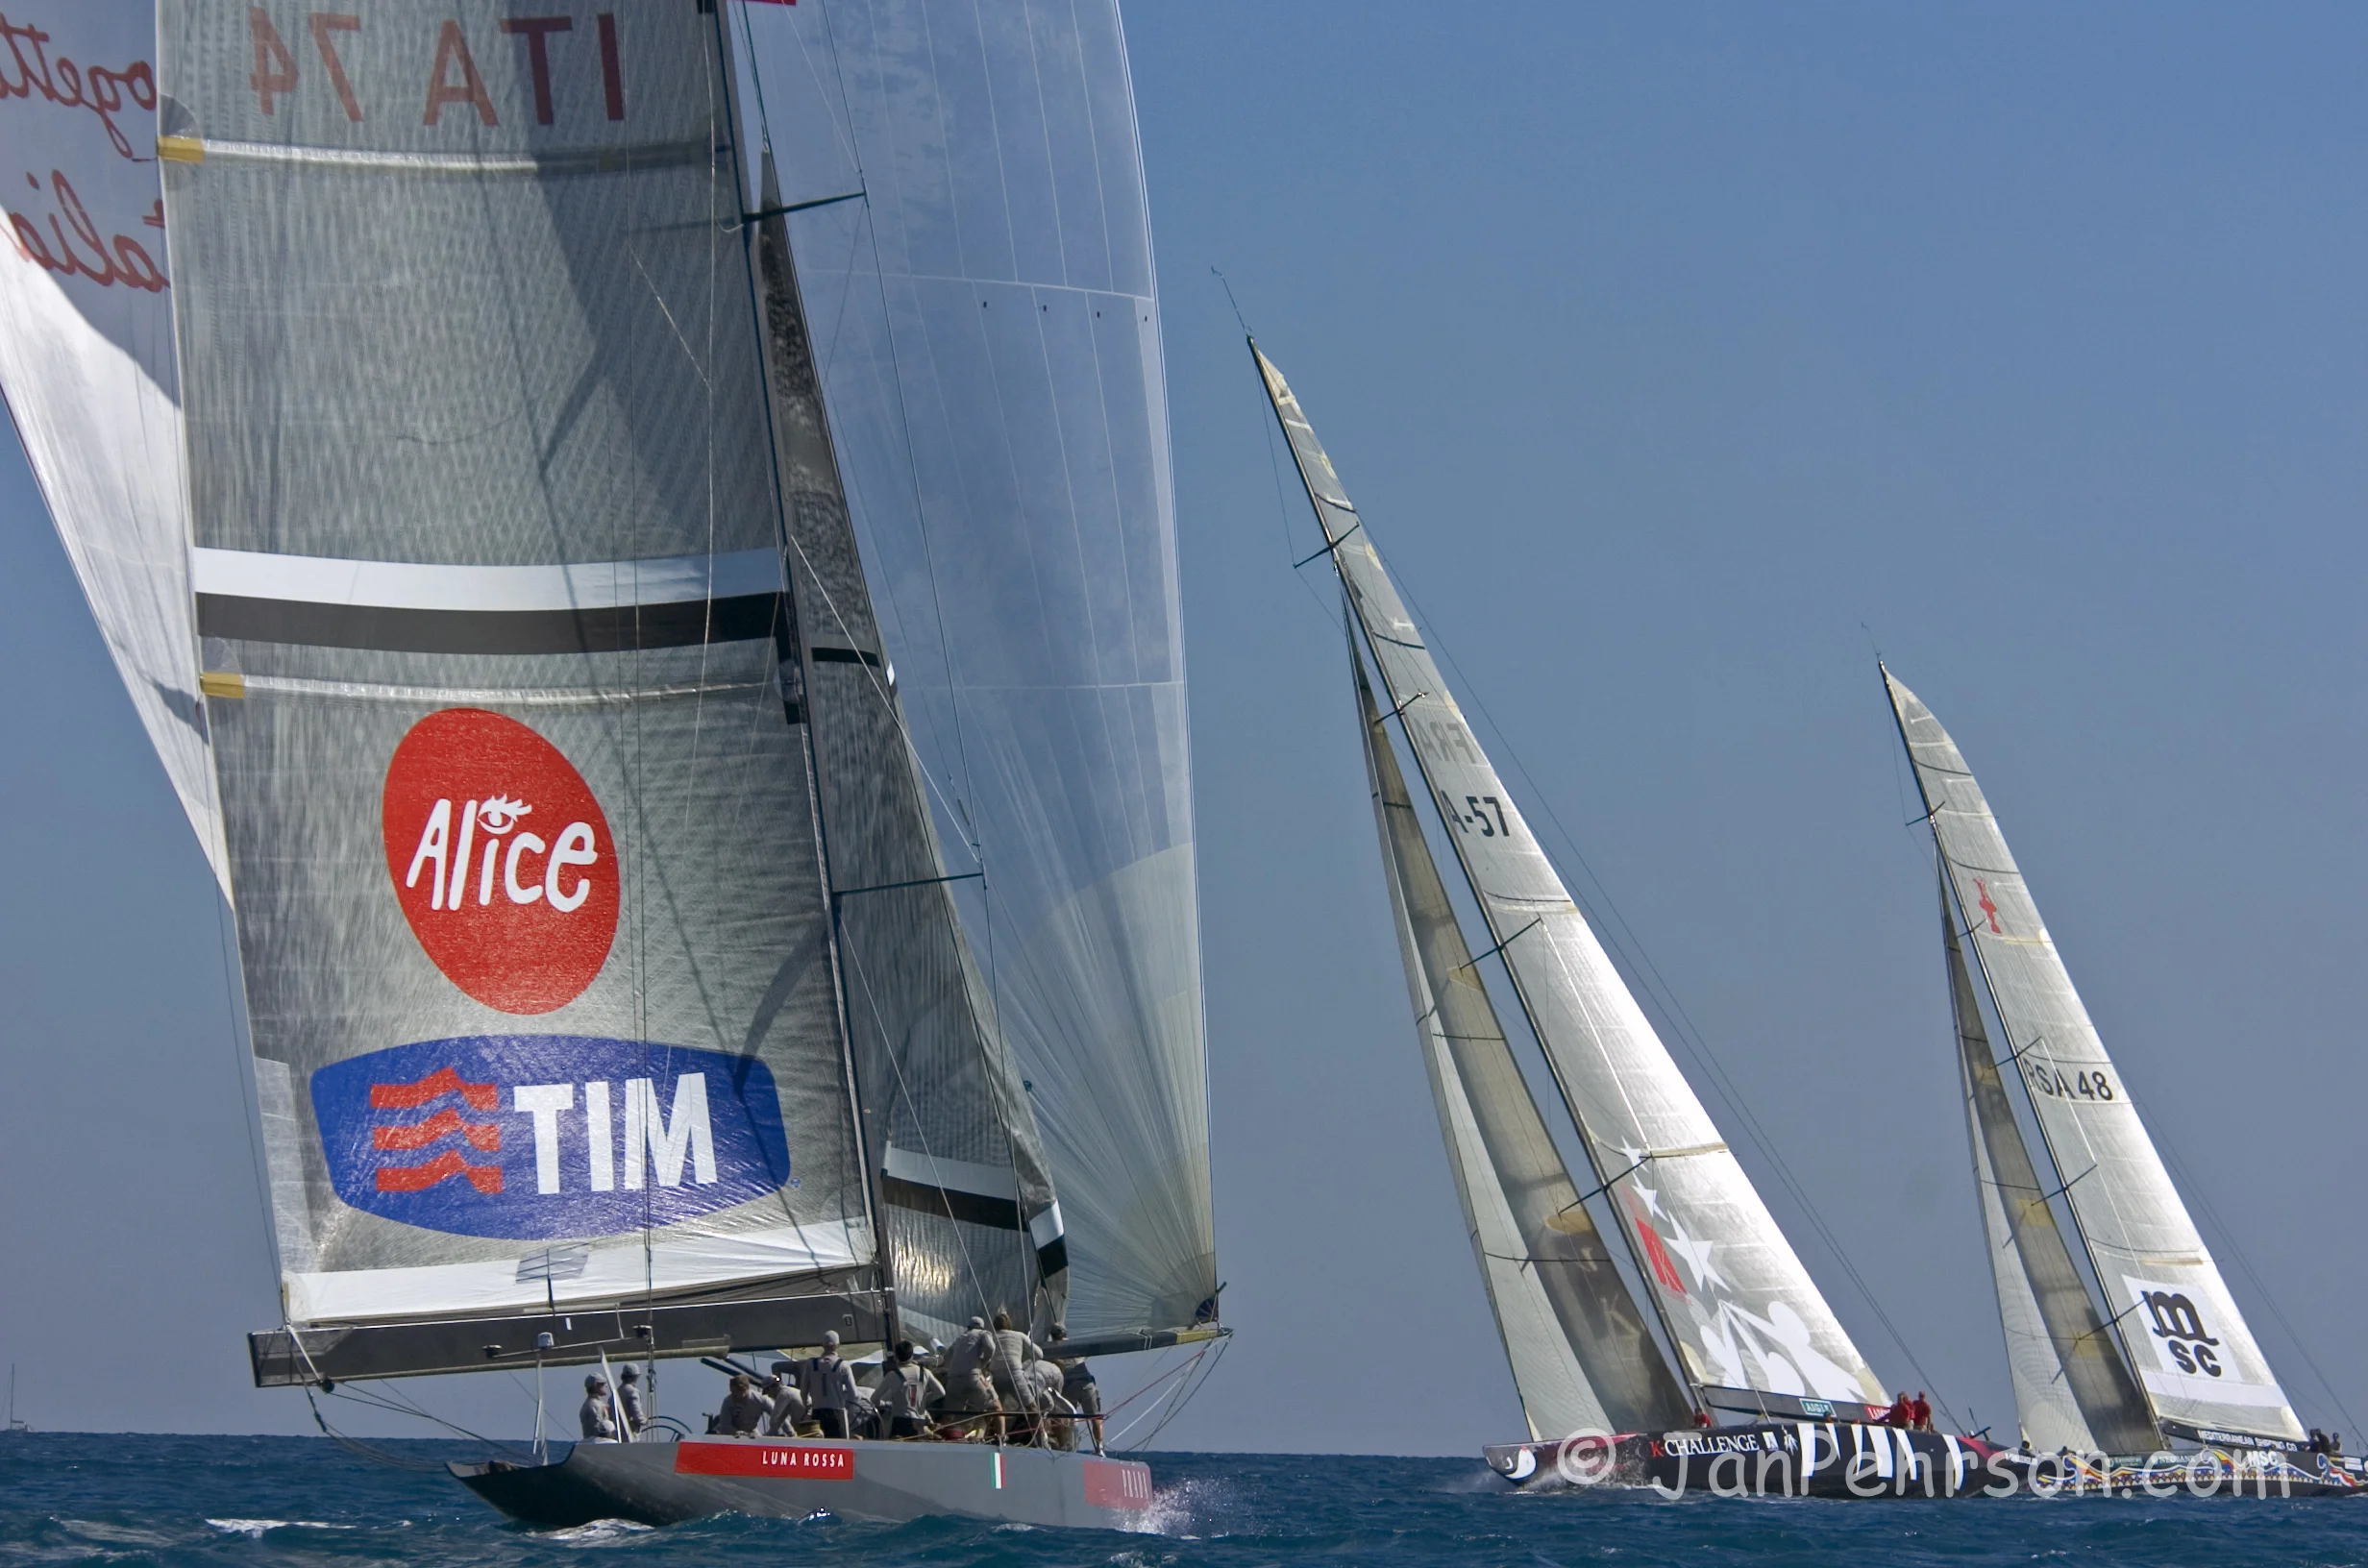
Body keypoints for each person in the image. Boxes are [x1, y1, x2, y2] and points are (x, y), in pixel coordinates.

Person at [1048, 1324, 1105, 1455]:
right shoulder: (1077, 1344)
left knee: (1067, 1418)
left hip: (1068, 1386)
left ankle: (1067, 1447)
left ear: (1052, 1335)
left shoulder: (1049, 1350)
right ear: (1065, 1333)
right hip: (1086, 1384)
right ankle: (1100, 1448)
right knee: (1095, 1417)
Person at [942, 1316, 1001, 1440]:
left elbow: (946, 1357)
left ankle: (938, 1437)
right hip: (972, 1377)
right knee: (996, 1408)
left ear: (968, 1327)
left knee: (950, 1415)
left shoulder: (960, 1338)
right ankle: (1002, 1439)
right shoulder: (983, 1333)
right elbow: (991, 1347)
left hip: (953, 1379)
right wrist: (985, 1361)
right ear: (981, 1326)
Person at [877, 1340, 945, 1439]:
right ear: (912, 1355)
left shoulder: (892, 1375)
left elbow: (874, 1399)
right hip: (919, 1425)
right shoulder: (925, 1372)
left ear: (896, 1357)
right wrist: (924, 1400)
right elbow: (941, 1392)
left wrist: (886, 1404)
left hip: (899, 1426)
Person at [802, 1330, 862, 1440]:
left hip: (817, 1414)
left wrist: (808, 1406)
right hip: (836, 1415)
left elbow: (803, 1392)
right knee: (837, 1448)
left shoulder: (811, 1364)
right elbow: (854, 1395)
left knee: (819, 1449)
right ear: (837, 1345)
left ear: (822, 1345)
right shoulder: (843, 1365)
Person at [987, 1310, 1043, 1423]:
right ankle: (1041, 1435)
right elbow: (1039, 1355)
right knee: (1032, 1408)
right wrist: (1023, 1364)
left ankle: (986, 1436)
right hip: (1015, 1373)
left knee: (995, 1410)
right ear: (1009, 1324)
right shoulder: (1019, 1335)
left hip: (996, 1376)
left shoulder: (990, 1337)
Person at [718, 1372, 769, 1437]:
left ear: (747, 1389)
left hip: (752, 1431)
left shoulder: (760, 1399)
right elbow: (725, 1427)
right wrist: (738, 1433)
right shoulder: (728, 1402)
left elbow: (778, 1414)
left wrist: (772, 1431)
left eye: (739, 1390)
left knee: (760, 1443)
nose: (736, 1395)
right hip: (732, 1434)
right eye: (733, 1392)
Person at [760, 1372, 808, 1436]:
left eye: (766, 1390)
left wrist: (766, 1438)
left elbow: (773, 1421)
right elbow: (780, 1419)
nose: (767, 1395)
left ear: (773, 1387)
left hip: (809, 1426)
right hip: (807, 1423)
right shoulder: (789, 1391)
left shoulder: (783, 1394)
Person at [580, 1375, 618, 1442]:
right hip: (596, 1444)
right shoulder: (594, 1405)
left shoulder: (596, 1403)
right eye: (602, 1384)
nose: (606, 1386)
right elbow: (599, 1428)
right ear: (595, 1386)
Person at [616, 1365, 647, 1437]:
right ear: (635, 1376)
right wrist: (644, 1420)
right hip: (629, 1433)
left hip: (617, 1433)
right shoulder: (633, 1392)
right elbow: (637, 1415)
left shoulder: (617, 1391)